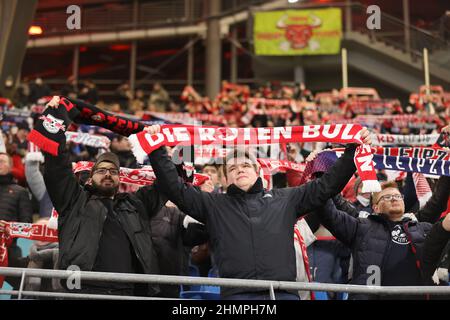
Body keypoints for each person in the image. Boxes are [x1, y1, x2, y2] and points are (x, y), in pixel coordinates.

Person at [145, 124, 372, 300]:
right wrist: (157, 151)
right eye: (232, 168)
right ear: (225, 178)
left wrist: (353, 150)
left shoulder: (286, 198)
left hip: (284, 294)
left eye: (245, 166)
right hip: (236, 299)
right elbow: (174, 188)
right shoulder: (212, 204)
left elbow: (327, 187)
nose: (239, 170)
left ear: (258, 173)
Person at [42, 98, 168, 297]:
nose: (108, 174)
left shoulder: (137, 204)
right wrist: (55, 122)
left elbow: (168, 183)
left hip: (129, 292)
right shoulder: (73, 200)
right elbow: (55, 166)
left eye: (113, 171)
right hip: (82, 292)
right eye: (101, 170)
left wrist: (156, 147)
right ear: (90, 179)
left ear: (120, 179)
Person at [315, 180, 448, 300]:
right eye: (387, 197)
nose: (394, 199)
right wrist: (321, 174)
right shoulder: (361, 227)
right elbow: (328, 213)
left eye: (397, 196)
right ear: (376, 208)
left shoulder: (424, 228)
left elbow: (441, 214)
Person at [0, 152, 33, 290]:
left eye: (2, 161)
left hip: (10, 251)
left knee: (17, 288)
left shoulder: (20, 191)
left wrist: (8, 230)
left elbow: (27, 224)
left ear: (11, 166)